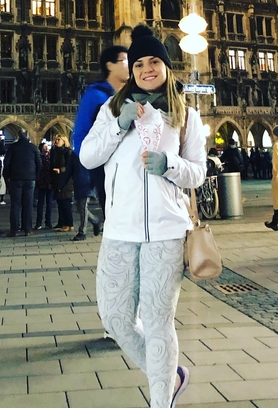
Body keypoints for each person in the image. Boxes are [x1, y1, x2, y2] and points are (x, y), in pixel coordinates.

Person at [80, 24, 206, 408]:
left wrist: (169, 165)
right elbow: (88, 156)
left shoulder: (185, 114)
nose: (147, 69)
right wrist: (119, 127)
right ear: (131, 70)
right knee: (116, 318)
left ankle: (160, 401)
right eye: (139, 63)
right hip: (119, 229)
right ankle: (170, 377)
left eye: (155, 61)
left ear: (167, 66)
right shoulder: (112, 107)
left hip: (167, 231)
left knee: (157, 322)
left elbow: (197, 172)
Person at [73, 44, 129, 215]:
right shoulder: (96, 95)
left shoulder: (130, 94)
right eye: (126, 60)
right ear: (110, 65)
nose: (132, 65)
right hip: (106, 169)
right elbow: (81, 133)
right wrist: (92, 165)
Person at [58, 148, 102, 241]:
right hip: (78, 184)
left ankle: (82, 232)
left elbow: (96, 168)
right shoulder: (74, 155)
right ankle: (95, 221)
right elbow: (69, 170)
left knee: (82, 207)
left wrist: (95, 183)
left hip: (87, 183)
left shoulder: (91, 152)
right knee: (80, 208)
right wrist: (61, 185)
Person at [3, 130, 41, 237]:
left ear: (18, 136)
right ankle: (27, 229)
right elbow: (39, 163)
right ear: (27, 136)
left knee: (15, 205)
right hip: (30, 179)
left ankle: (14, 230)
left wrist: (7, 177)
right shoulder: (33, 147)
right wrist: (35, 177)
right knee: (28, 204)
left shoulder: (13, 147)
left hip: (15, 179)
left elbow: (6, 163)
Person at [51, 134, 74, 231]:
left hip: (66, 181)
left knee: (65, 203)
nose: (56, 141)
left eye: (58, 140)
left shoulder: (68, 152)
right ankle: (62, 222)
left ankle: (69, 224)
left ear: (64, 141)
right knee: (60, 202)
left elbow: (70, 167)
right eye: (55, 140)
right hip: (57, 180)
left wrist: (61, 170)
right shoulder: (55, 152)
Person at [34, 142, 54, 230]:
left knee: (49, 203)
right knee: (40, 204)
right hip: (41, 183)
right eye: (44, 146)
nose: (46, 148)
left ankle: (48, 222)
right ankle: (39, 222)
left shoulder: (51, 157)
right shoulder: (39, 157)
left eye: (47, 146)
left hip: (49, 183)